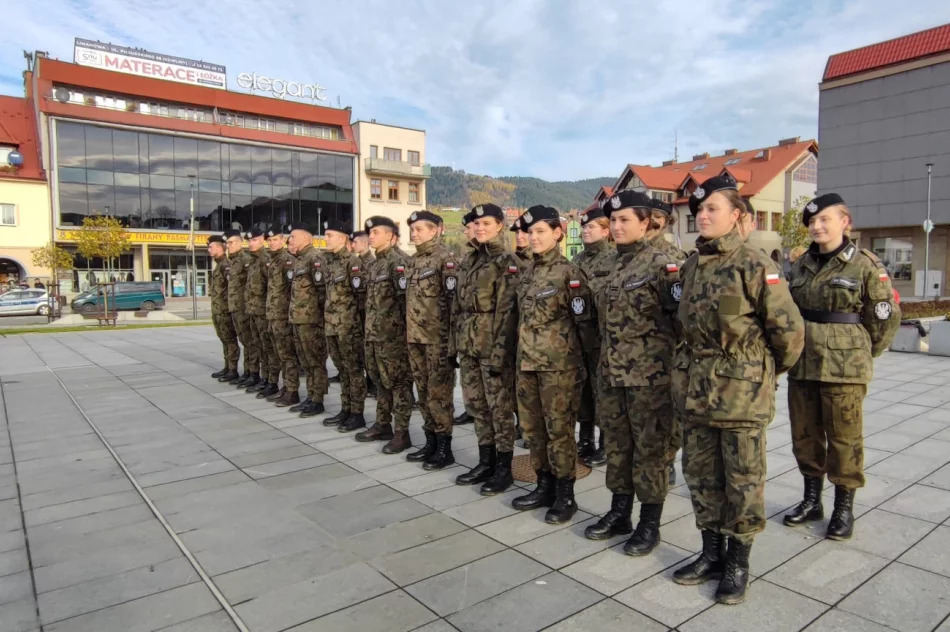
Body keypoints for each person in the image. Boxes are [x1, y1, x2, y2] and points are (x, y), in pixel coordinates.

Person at [672, 173, 804, 605]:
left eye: (712, 209)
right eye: (699, 210)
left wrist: (758, 374)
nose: (703, 216)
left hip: (741, 397)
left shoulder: (755, 265)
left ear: (737, 216)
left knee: (743, 481)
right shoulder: (692, 265)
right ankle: (711, 553)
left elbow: (789, 335)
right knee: (701, 475)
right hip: (697, 392)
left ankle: (738, 563)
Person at [784, 193, 900, 540]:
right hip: (804, 364)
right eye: (812, 222)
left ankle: (843, 508)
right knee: (804, 437)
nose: (816, 226)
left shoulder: (864, 265)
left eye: (824, 220)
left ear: (844, 222)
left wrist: (861, 352)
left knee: (844, 440)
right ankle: (811, 501)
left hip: (844, 368)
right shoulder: (801, 263)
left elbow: (883, 319)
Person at [583, 190, 680, 554]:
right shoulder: (612, 265)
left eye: (626, 220)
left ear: (646, 223)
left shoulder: (663, 266)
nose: (618, 226)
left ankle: (649, 523)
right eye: (614, 220)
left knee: (650, 450)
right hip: (611, 374)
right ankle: (619, 512)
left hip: (650, 379)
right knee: (619, 447)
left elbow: (682, 323)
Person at [509, 205, 597, 524]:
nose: (532, 237)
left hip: (559, 369)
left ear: (558, 234)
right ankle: (544, 485)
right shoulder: (528, 271)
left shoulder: (569, 273)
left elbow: (585, 325)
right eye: (529, 232)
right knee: (533, 431)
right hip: (527, 366)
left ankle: (565, 495)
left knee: (559, 432)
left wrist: (586, 367)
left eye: (540, 232)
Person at [451, 204, 520, 495]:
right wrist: (454, 345)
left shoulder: (507, 261)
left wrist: (500, 353)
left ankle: (504, 468)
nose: (480, 228)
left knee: (499, 410)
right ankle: (485, 461)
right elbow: (457, 306)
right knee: (476, 406)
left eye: (487, 223)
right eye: (477, 223)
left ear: (500, 226)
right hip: (469, 344)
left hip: (492, 346)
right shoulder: (468, 260)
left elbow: (507, 312)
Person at [355, 216, 415, 452]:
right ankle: (382, 424)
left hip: (393, 338)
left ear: (391, 236)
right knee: (380, 382)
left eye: (376, 232)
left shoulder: (399, 263)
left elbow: (405, 304)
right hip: (373, 335)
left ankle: (402, 433)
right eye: (370, 232)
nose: (371, 236)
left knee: (399, 384)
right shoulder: (375, 264)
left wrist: (401, 337)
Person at [405, 210, 458, 470]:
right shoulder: (413, 260)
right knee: (423, 393)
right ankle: (430, 441)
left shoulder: (445, 260)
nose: (414, 233)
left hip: (437, 339)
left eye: (419, 229)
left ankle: (444, 447)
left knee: (439, 394)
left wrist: (451, 343)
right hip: (415, 337)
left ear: (435, 230)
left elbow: (452, 303)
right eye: (412, 229)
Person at [571, 203, 616, 467]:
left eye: (591, 227)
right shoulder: (577, 260)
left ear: (605, 230)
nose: (585, 231)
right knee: (583, 391)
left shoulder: (612, 258)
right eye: (583, 227)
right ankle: (584, 440)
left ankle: (604, 444)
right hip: (580, 337)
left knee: (602, 393)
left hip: (601, 338)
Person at [647, 197, 688, 487]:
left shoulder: (674, 259)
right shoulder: (626, 255)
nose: (651, 222)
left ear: (665, 222)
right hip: (633, 352)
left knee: (667, 412)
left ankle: (668, 457)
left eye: (656, 217)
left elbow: (680, 311)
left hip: (664, 349)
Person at [322, 221, 368, 432]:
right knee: (342, 371)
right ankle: (346, 409)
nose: (326, 239)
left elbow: (362, 297)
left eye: (330, 235)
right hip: (332, 327)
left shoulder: (353, 263)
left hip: (348, 328)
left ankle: (357, 414)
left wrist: (353, 322)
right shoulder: (331, 264)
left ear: (342, 238)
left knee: (354, 371)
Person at [287, 223, 330, 417]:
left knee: (315, 361)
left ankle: (318, 400)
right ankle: (310, 397)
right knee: (305, 361)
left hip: (311, 320)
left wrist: (318, 318)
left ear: (305, 238)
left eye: (293, 237)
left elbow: (323, 291)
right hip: (299, 319)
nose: (290, 240)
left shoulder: (315, 258)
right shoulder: (300, 259)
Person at [264, 225, 299, 406]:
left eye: (275, 239)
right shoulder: (274, 261)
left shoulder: (287, 261)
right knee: (279, 353)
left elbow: (293, 289)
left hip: (283, 316)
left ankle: (292, 391)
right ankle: (286, 387)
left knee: (287, 355)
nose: (271, 243)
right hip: (273, 315)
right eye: (269, 240)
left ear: (282, 240)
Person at [223, 229, 256, 386]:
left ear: (239, 242)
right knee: (245, 342)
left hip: (244, 308)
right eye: (226, 243)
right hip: (235, 308)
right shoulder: (234, 261)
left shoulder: (245, 259)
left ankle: (253, 373)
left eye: (230, 243)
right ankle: (247, 372)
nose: (227, 246)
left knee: (250, 343)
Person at [453, 210, 477, 427]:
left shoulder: (505, 260)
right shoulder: (467, 260)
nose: (467, 232)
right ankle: (470, 408)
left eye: (469, 227)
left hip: (486, 338)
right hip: (466, 332)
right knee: (467, 379)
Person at [243, 227, 270, 393]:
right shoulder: (252, 260)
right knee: (257, 345)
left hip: (263, 312)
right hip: (252, 311)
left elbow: (271, 287)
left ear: (262, 240)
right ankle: (260, 377)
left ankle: (268, 379)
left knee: (267, 348)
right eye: (249, 240)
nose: (250, 243)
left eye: (254, 240)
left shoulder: (265, 259)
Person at [208, 235, 239, 381]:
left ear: (220, 248)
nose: (209, 250)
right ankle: (227, 367)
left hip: (225, 310)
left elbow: (231, 289)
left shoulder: (226, 265)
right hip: (218, 310)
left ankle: (233, 369)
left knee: (230, 340)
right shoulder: (218, 265)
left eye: (211, 247)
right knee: (224, 339)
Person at [351, 230, 377, 398]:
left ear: (365, 243)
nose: (353, 245)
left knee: (369, 352)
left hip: (366, 313)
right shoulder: (357, 261)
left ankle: (372, 383)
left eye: (356, 242)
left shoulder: (370, 263)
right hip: (357, 313)